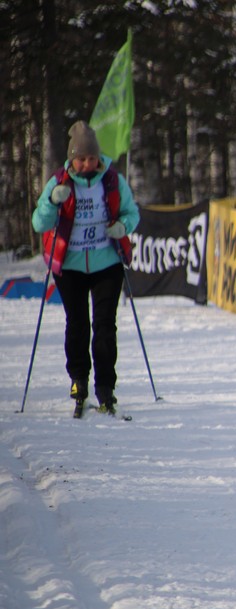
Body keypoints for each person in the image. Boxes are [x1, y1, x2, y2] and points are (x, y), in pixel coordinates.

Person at [31, 120, 141, 415]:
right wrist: (52, 201)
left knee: (105, 325)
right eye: (81, 158)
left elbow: (132, 213)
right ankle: (78, 379)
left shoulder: (112, 180)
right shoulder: (60, 181)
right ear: (72, 158)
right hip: (70, 265)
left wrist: (122, 226)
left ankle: (105, 387)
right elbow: (39, 223)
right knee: (77, 323)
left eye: (92, 158)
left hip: (107, 263)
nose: (87, 163)